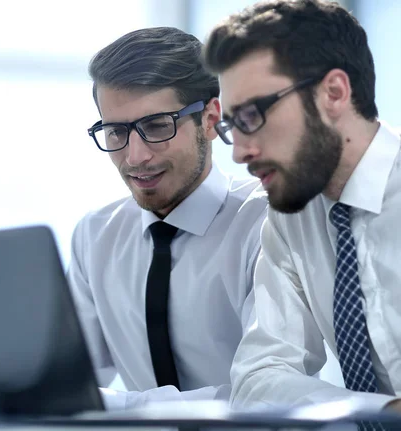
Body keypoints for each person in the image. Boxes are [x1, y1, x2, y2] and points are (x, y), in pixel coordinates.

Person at [202, 0, 401, 417]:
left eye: (252, 115)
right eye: (232, 126)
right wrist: (391, 410)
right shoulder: (290, 219)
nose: (240, 153)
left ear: (334, 93)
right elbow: (259, 375)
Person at [67, 26, 267, 410]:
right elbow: (70, 382)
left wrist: (125, 408)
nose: (135, 156)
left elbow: (260, 392)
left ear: (210, 119)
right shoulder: (96, 234)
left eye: (157, 126)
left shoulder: (265, 223)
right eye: (115, 131)